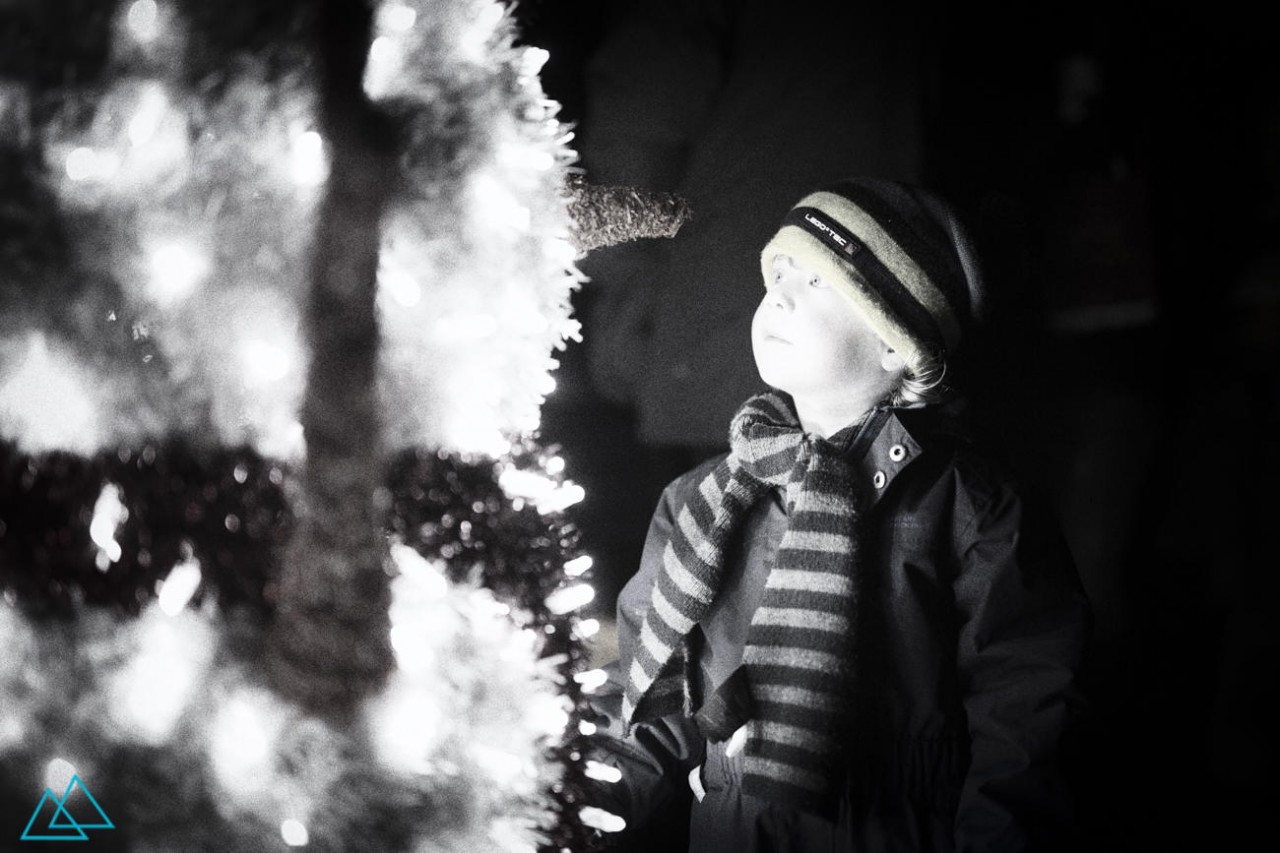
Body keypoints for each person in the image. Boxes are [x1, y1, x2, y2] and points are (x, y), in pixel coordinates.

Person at [583, 178, 1092, 852]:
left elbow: (1025, 714)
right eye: (778, 275)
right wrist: (572, 808)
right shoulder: (700, 501)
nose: (780, 297)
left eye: (818, 282)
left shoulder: (971, 507)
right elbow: (648, 704)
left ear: (896, 343)